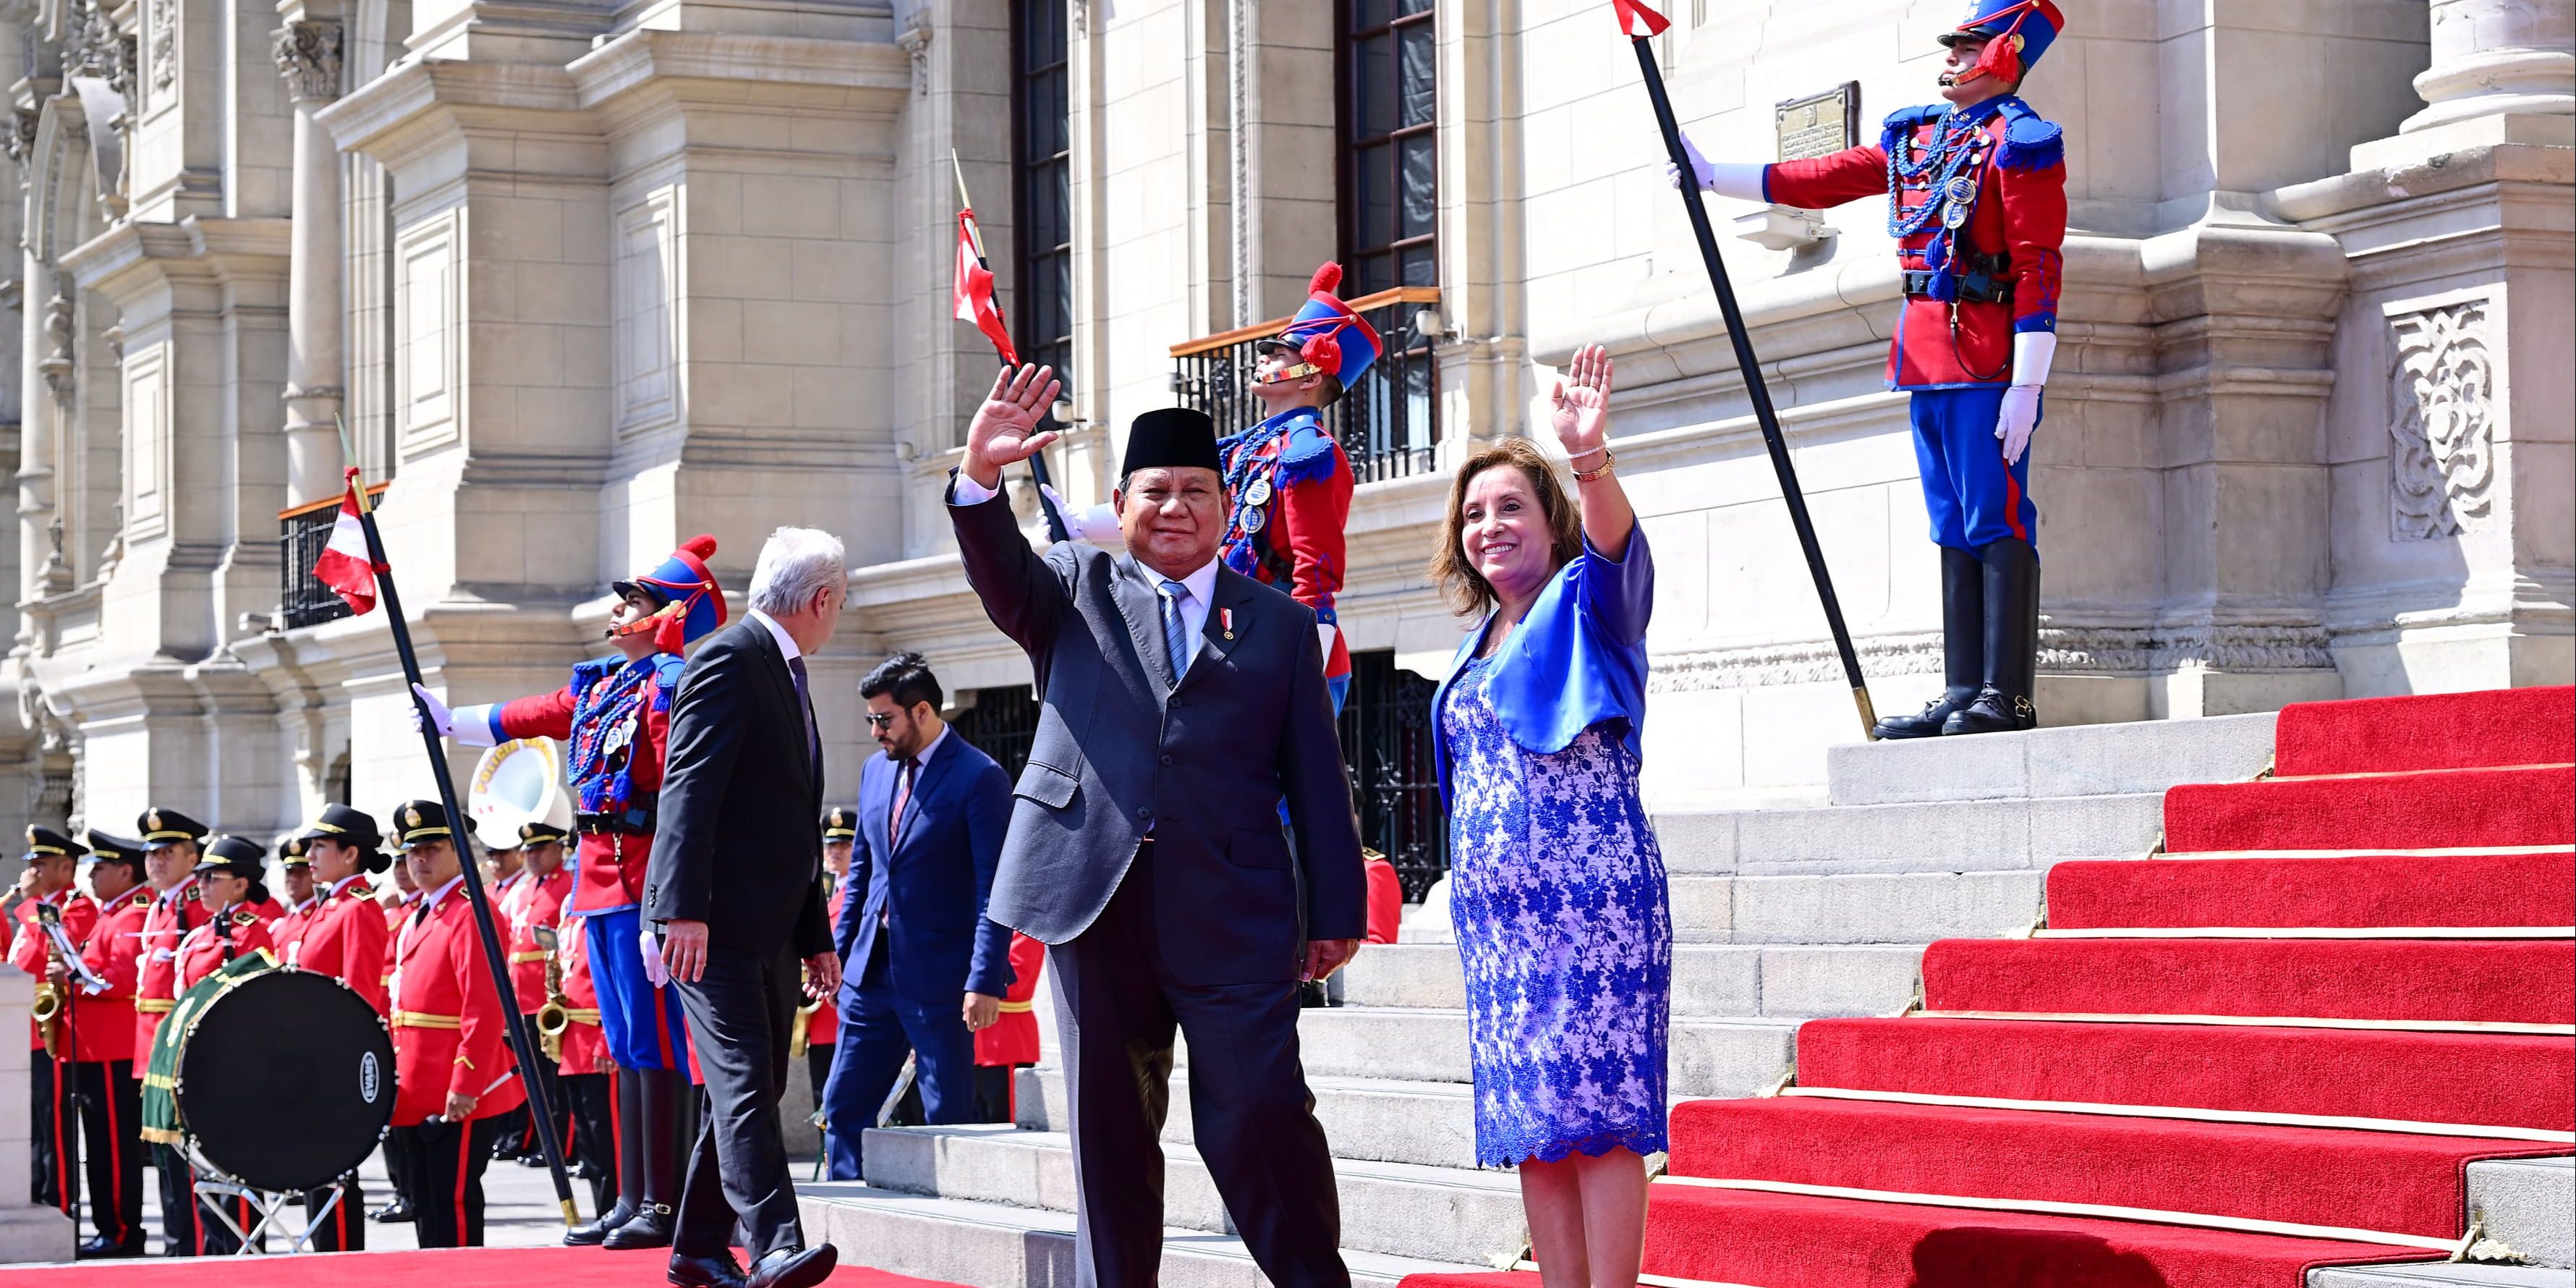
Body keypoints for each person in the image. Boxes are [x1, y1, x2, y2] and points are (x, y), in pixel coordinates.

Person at [949, 367, 1365, 1288]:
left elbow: (1316, 774)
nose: (1175, 507)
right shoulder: (1070, 586)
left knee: (1259, 1112)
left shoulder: (1279, 625)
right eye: (1156, 490)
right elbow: (998, 570)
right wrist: (981, 476)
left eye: (1195, 490)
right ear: (1120, 501)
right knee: (1110, 1139)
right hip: (1094, 906)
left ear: (1226, 505)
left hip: (1233, 910)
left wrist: (1336, 907)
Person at [1674, 0, 2068, 739]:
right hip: (1924, 355)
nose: (1950, 57)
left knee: (1997, 515)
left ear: (2005, 55)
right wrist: (1713, 175)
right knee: (1951, 521)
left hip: (1986, 359)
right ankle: (1962, 689)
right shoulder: (1921, 136)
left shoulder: (2022, 143)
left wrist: (2028, 381)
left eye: (1967, 46)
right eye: (1952, 45)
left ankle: (2007, 695)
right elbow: (1831, 175)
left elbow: (2039, 269)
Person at [1425, 346, 1669, 1288]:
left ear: (1550, 519)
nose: (1490, 526)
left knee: (1599, 1117)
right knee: (1535, 1125)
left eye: (1510, 506)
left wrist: (1587, 453)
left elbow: (1619, 550)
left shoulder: (1587, 603)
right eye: (1474, 512)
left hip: (1594, 911)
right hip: (1501, 932)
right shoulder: (1469, 642)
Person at [409, 537, 727, 1250]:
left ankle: (666, 1202)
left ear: (674, 615)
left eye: (636, 601)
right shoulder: (608, 684)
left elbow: (683, 802)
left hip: (647, 887)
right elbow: (535, 714)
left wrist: (673, 906)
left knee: (658, 1046)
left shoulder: (673, 688)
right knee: (623, 1044)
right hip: (602, 886)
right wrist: (452, 721)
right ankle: (631, 1194)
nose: (618, 610)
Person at [644, 525, 846, 1288]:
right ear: (822, 599)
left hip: (767, 928)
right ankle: (774, 1243)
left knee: (750, 1086)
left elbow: (789, 824)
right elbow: (688, 791)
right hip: (711, 926)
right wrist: (681, 910)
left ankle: (696, 1245)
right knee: (740, 1085)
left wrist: (814, 935)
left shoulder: (782, 669)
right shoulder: (730, 658)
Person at [1055, 263, 1372, 715]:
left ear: (1311, 375)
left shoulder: (1309, 452)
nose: (1263, 358)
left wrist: (1305, 657)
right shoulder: (1243, 448)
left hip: (1279, 639)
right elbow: (1175, 509)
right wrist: (1080, 525)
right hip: (1229, 632)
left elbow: (1316, 566)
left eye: (1278, 353)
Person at [817, 652, 1013, 1181]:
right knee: (843, 1106)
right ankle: (850, 1222)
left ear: (922, 711)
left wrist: (984, 979)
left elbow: (994, 891)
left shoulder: (979, 777)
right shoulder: (873, 771)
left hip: (941, 980)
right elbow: (861, 871)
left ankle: (952, 1220)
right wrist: (836, 952)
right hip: (869, 974)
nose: (876, 731)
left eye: (885, 719)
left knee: (945, 1116)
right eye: (870, 721)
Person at [384, 800, 528, 1249]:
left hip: (455, 1084)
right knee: (425, 1202)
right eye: (412, 852)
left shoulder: (472, 912)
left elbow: (483, 1007)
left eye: (431, 848)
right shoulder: (420, 914)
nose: (420, 859)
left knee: (454, 1204)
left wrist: (465, 1083)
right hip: (415, 1083)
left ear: (457, 850)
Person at [284, 804, 392, 1250]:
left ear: (350, 855)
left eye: (320, 846)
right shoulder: (331, 906)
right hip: (313, 1053)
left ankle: (341, 1263)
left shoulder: (358, 909)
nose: (310, 855)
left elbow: (360, 993)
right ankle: (326, 1257)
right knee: (318, 1171)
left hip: (335, 1058)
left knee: (333, 1175)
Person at [131, 807, 211, 1255]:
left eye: (167, 853)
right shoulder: (161, 907)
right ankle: (177, 1245)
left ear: (191, 858)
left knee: (186, 1160)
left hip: (179, 1046)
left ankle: (190, 1250)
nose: (156, 862)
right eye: (152, 855)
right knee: (164, 1158)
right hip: (153, 1048)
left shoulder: (195, 907)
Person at [69, 831, 150, 1258]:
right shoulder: (111, 914)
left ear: (124, 871)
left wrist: (73, 979)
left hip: (113, 1050)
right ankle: (109, 1227)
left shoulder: (131, 916)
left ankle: (121, 1231)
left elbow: (119, 980)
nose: (92, 874)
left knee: (114, 1149)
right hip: (96, 1048)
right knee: (99, 1146)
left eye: (100, 867)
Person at [12, 827, 98, 1224]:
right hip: (22, 1032)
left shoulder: (77, 907)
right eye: (31, 863)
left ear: (66, 867)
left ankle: (59, 1206)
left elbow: (45, 955)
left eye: (40, 863)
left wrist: (27, 906)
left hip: (54, 1035)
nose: (31, 871)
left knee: (53, 1130)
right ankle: (30, 1195)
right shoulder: (33, 909)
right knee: (27, 1129)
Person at [502, 820, 574, 1166]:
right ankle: (539, 1141)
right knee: (534, 1079)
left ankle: (560, 1147)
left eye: (540, 849)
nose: (532, 856)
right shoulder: (525, 888)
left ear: (559, 849)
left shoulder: (568, 884)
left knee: (554, 1080)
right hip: (523, 995)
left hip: (550, 995)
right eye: (528, 851)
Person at [553, 912, 619, 1214]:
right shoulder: (569, 922)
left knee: (608, 1143)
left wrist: (609, 1039)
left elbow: (616, 980)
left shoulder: (600, 921)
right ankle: (602, 1211)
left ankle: (617, 1208)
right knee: (588, 1143)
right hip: (572, 1046)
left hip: (597, 1043)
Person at [374, 853, 422, 1224]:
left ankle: (410, 1193)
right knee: (389, 1122)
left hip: (405, 1026)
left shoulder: (415, 912)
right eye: (398, 866)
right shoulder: (396, 911)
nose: (403, 872)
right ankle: (400, 1190)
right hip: (386, 1022)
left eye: (408, 864)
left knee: (407, 1124)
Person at [171, 838, 278, 993]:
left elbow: (254, 996)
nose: (200, 884)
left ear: (239, 885)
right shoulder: (204, 931)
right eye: (199, 876)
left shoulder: (251, 934)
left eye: (210, 877)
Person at [970, 931, 1046, 1123]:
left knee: (1004, 1123)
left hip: (1006, 1040)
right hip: (973, 1039)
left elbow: (1014, 981)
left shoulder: (1023, 926)